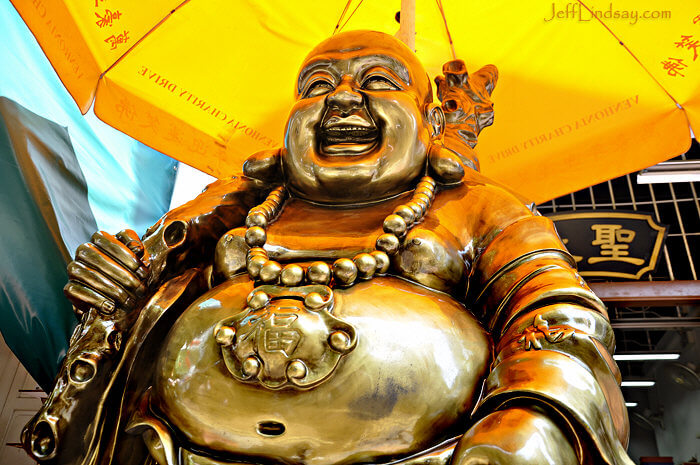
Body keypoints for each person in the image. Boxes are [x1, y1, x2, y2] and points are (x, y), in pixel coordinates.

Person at [23, 31, 633, 465]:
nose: (342, 98)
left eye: (378, 82)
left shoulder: (479, 208)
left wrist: (524, 428)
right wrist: (122, 276)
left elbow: (557, 322)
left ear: (426, 118)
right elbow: (150, 262)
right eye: (318, 85)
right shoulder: (241, 205)